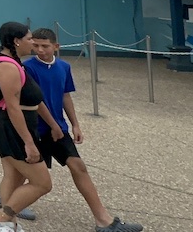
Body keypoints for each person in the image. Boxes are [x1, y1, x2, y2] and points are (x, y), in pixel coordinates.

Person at [20, 28, 144, 232]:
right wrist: (53, 125)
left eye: (45, 46)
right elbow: (36, 100)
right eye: (36, 45)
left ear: (56, 46)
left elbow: (65, 96)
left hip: (58, 128)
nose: (40, 50)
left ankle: (103, 220)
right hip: (36, 129)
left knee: (78, 166)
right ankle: (9, 199)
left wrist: (75, 124)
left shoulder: (64, 67)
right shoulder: (27, 68)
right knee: (25, 172)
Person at [0, 21, 63, 231]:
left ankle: (9, 223)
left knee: (14, 175)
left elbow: (32, 101)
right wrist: (29, 142)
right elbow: (13, 107)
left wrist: (52, 124)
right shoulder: (7, 67)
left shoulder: (14, 63)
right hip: (10, 128)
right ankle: (2, 216)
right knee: (42, 183)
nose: (33, 43)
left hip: (13, 126)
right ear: (17, 41)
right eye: (29, 39)